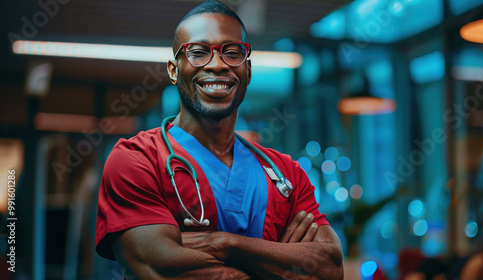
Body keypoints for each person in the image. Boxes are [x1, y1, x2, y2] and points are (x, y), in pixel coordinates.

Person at [95, 1, 343, 279]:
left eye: (232, 52)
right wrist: (274, 259)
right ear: (173, 70)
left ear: (247, 70)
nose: (217, 64)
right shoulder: (137, 159)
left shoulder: (287, 174)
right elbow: (158, 268)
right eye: (198, 53)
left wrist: (223, 244)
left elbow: (329, 268)